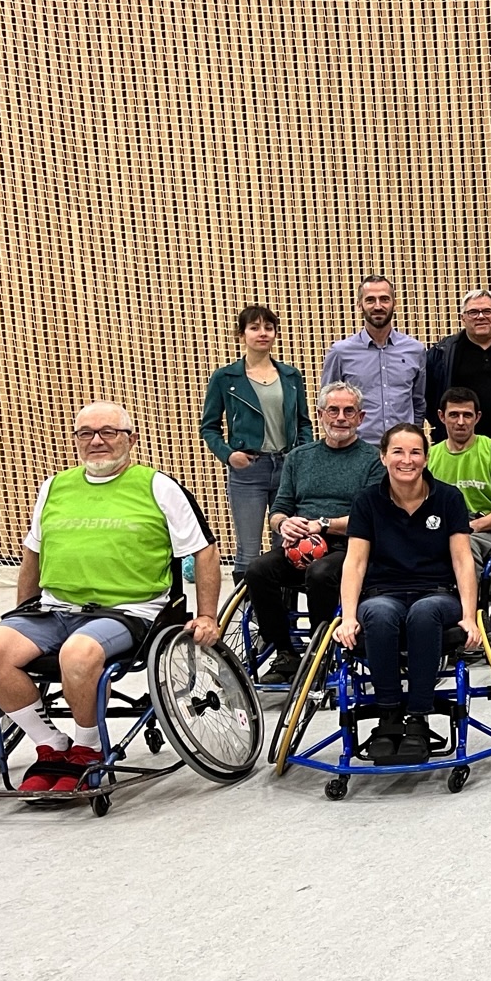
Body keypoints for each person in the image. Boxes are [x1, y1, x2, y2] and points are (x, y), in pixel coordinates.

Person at [0, 403, 220, 794]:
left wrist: (207, 615)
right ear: (76, 441)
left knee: (78, 653)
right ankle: (50, 745)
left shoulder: (157, 486)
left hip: (129, 611)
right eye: (86, 433)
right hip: (55, 609)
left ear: (130, 439)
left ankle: (86, 748)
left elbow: (203, 552)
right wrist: (21, 612)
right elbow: (32, 556)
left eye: (108, 432)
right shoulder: (55, 486)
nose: (97, 441)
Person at [337, 424, 480, 763]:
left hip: (436, 592)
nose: (407, 460)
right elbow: (355, 563)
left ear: (426, 458)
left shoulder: (448, 498)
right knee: (380, 614)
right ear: (383, 456)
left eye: (415, 452)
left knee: (424, 613)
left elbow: (462, 560)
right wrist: (348, 616)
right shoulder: (367, 502)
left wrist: (470, 617)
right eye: (398, 452)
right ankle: (388, 718)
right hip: (383, 591)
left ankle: (417, 717)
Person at [245, 383, 383, 683]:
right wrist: (283, 524)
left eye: (349, 411)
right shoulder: (299, 457)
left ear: (361, 418)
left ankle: (323, 654)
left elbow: (371, 515)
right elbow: (279, 509)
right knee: (257, 570)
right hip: (299, 542)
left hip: (348, 547)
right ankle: (286, 653)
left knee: (320, 574)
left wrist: (323, 524)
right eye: (333, 410)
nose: (340, 418)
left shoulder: (374, 458)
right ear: (321, 415)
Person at [200, 304, 312, 578]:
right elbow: (209, 427)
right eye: (254, 327)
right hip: (248, 470)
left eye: (268, 327)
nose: (263, 333)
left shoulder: (290, 376)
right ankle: (248, 618)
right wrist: (228, 455)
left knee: (285, 547)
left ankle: (280, 618)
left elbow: (304, 422)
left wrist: (302, 456)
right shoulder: (225, 377)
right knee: (248, 551)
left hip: (287, 468)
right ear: (241, 334)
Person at [322, 275, 427, 444]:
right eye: (370, 300)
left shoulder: (415, 350)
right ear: (359, 305)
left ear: (394, 303)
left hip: (401, 449)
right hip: (357, 450)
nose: (378, 306)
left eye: (384, 299)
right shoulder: (340, 352)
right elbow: (328, 404)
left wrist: (413, 437)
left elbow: (418, 402)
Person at [424, 388, 491, 567]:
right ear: (441, 416)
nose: (461, 422)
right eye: (453, 415)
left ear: (477, 417)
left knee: (463, 546)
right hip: (443, 528)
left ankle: (469, 595)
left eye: (467, 415)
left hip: (488, 529)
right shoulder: (430, 456)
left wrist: (474, 525)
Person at [426, 289, 491, 444]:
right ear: (463, 318)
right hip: (458, 445)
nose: (481, 317)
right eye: (473, 312)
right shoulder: (442, 354)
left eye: (487, 311)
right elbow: (429, 398)